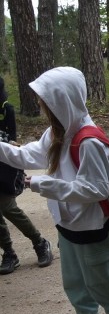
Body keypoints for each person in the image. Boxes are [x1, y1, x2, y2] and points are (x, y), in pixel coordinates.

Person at [0, 67, 109, 314]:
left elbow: (96, 189)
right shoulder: (57, 133)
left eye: (44, 100)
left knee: (105, 289)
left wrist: (44, 185)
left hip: (92, 232)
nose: (39, 105)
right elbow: (26, 155)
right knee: (77, 288)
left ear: (60, 100)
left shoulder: (90, 141)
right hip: (68, 230)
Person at [0, 76, 53, 274]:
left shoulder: (7, 109)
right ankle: (9, 253)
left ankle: (39, 242)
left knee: (8, 208)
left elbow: (12, 142)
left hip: (4, 165)